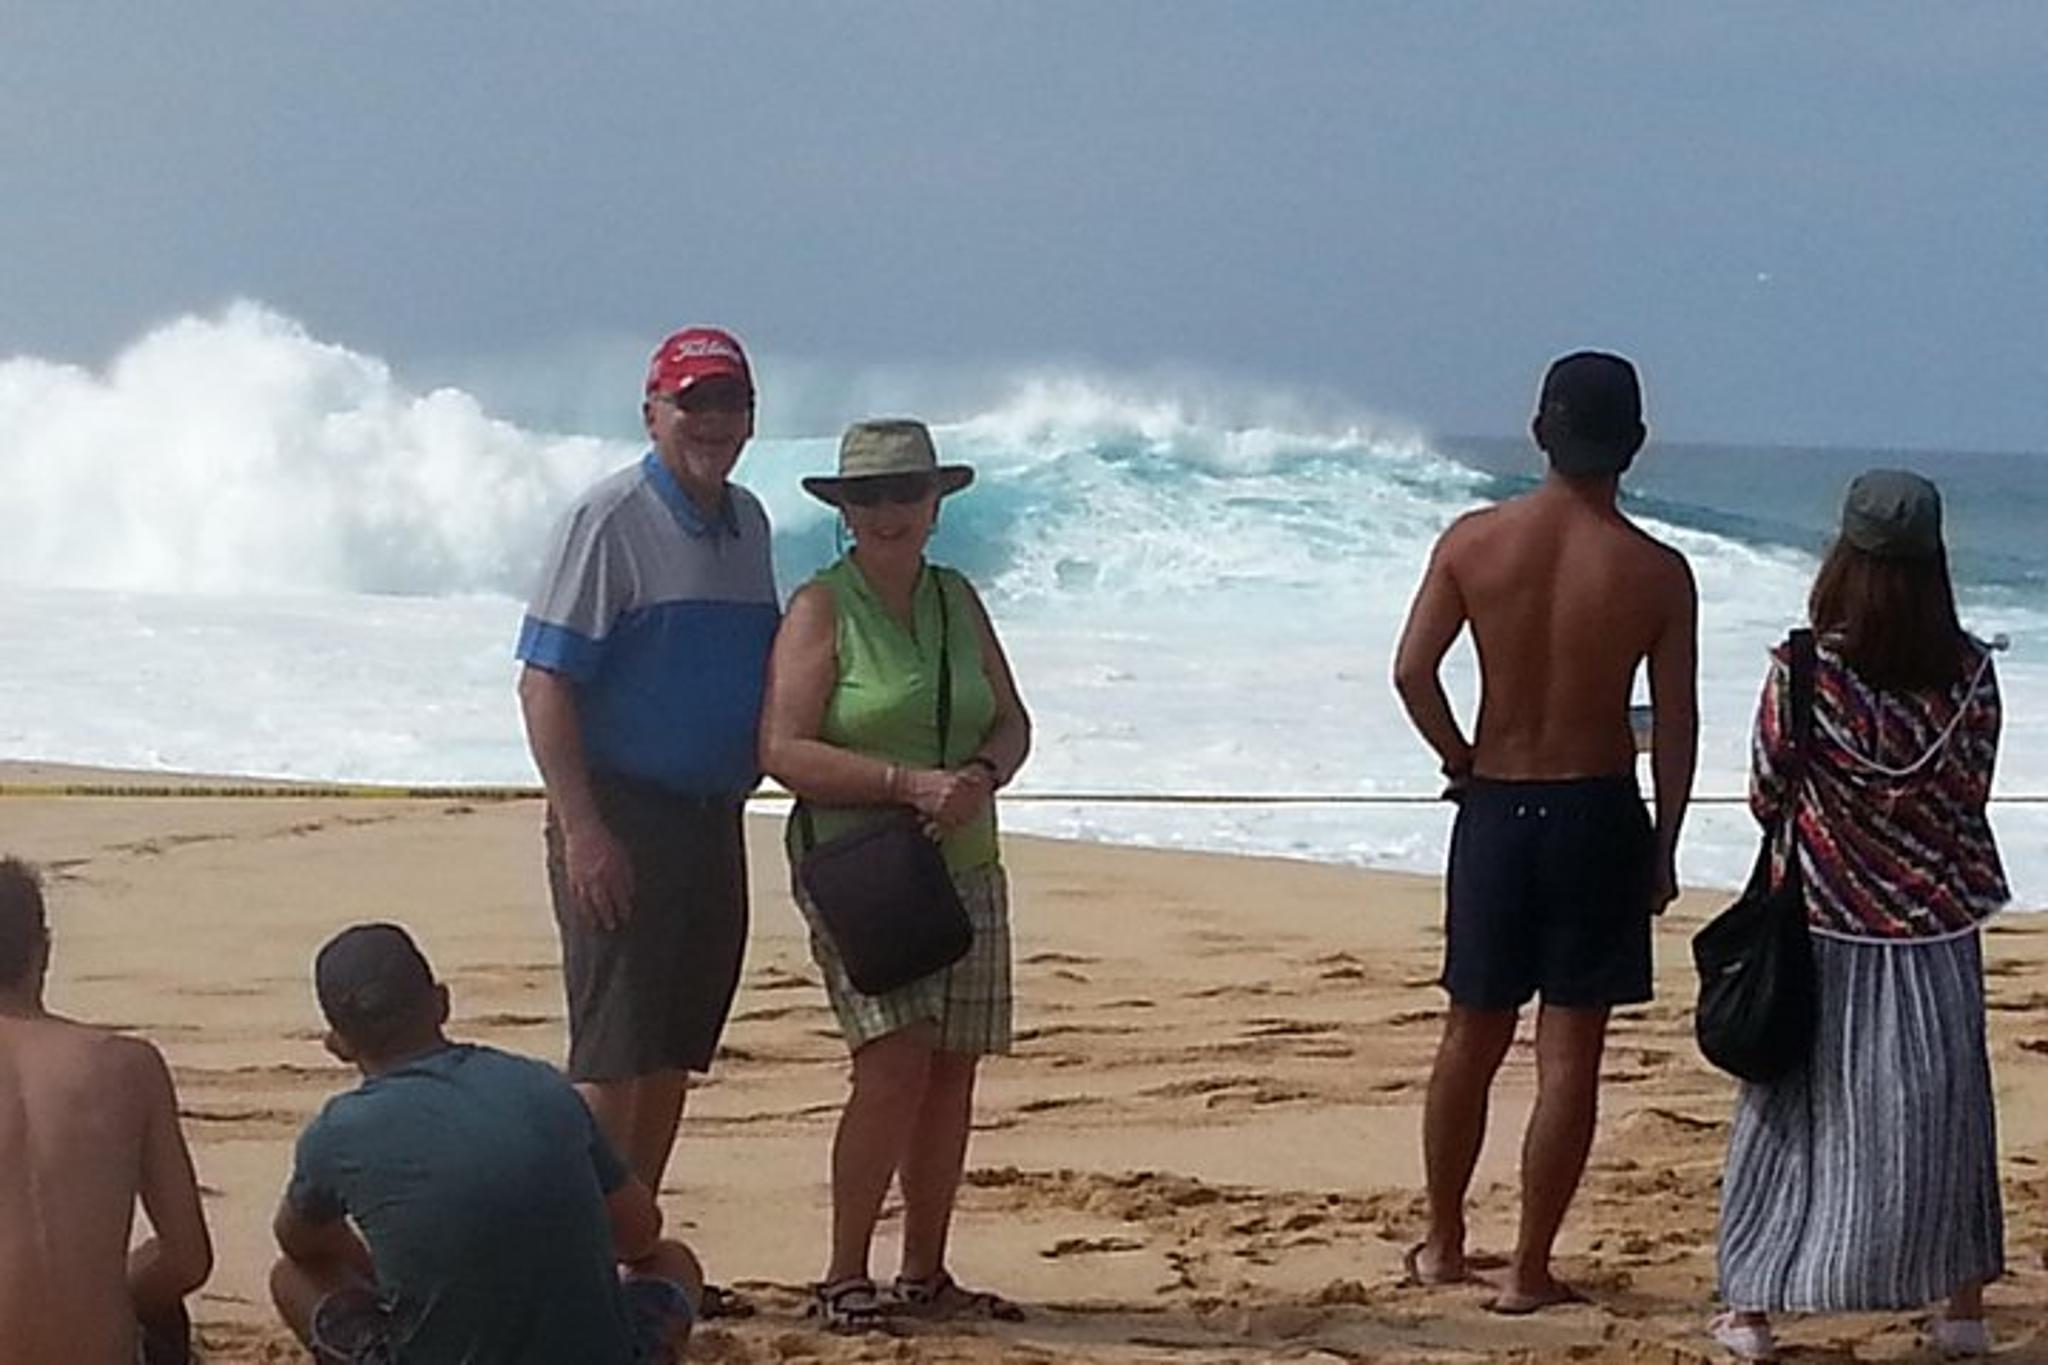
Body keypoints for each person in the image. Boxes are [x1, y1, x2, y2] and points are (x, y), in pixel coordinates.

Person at [1392, 351, 1698, 1313]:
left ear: (1537, 432)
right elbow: (1676, 725)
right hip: (1594, 806)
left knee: (1470, 1034)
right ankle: (1527, 1267)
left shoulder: (1475, 542)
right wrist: (1665, 844)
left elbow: (1411, 671)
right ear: (1635, 447)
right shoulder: (1655, 570)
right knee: (1571, 1052)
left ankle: (1443, 1240)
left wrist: (1459, 759)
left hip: (1497, 803)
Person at [1711, 472, 2007, 1363]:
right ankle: (1959, 1308)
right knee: (1947, 1115)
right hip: (1934, 926)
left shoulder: (1804, 672)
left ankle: (1753, 1309)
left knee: (1788, 1111)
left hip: (1824, 925)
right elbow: (1970, 797)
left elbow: (1768, 794)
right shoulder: (1970, 677)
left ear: (1844, 554)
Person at [759, 419, 1032, 1331]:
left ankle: (925, 1269)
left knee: (953, 1069)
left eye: (903, 493)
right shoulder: (820, 606)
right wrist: (904, 782)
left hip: (967, 862)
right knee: (891, 1064)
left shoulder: (958, 598)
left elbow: (1012, 722)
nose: (888, 512)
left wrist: (981, 778)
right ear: (845, 510)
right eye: (869, 497)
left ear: (935, 502)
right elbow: (783, 749)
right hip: (862, 868)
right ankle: (843, 1271)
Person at [515, 326, 779, 1207]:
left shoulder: (750, 523)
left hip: (714, 819)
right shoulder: (609, 518)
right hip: (621, 813)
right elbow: (545, 683)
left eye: (729, 402)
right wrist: (585, 831)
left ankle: (631, 1241)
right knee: (611, 1054)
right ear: (652, 413)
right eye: (691, 402)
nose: (712, 420)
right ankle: (576, 1247)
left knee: (674, 1048)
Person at [270, 923, 703, 1364]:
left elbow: (298, 1242)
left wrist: (378, 1270)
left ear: (338, 1045)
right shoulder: (540, 1086)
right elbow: (639, 1234)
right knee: (671, 1261)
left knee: (292, 1278)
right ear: (441, 1002)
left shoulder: (337, 1132)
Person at [0, 857, 213, 1365]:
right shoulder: (128, 1066)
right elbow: (187, 1260)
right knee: (166, 1320)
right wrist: (103, 1289)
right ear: (43, 952)